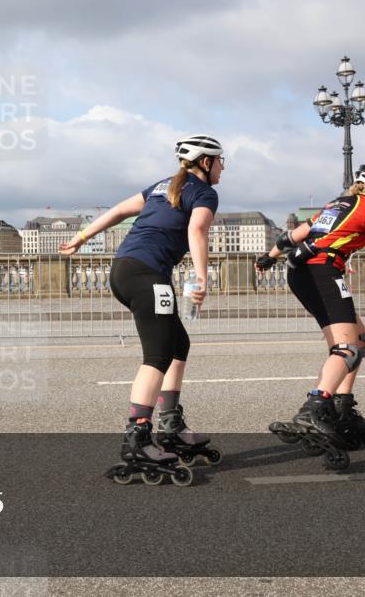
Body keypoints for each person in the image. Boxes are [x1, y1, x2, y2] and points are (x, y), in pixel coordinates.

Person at [60, 134, 224, 485]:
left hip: (125, 271)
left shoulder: (163, 186)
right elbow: (197, 230)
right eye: (220, 161)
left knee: (179, 344)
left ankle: (171, 424)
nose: (224, 167)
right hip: (148, 276)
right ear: (205, 163)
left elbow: (119, 210)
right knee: (158, 355)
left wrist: (82, 237)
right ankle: (137, 437)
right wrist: (200, 277)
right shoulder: (204, 192)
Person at [258, 164, 365, 455]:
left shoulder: (337, 204)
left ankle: (341, 406)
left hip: (300, 272)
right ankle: (315, 407)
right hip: (324, 272)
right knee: (348, 348)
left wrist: (268, 259)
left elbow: (293, 236)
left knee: (360, 340)